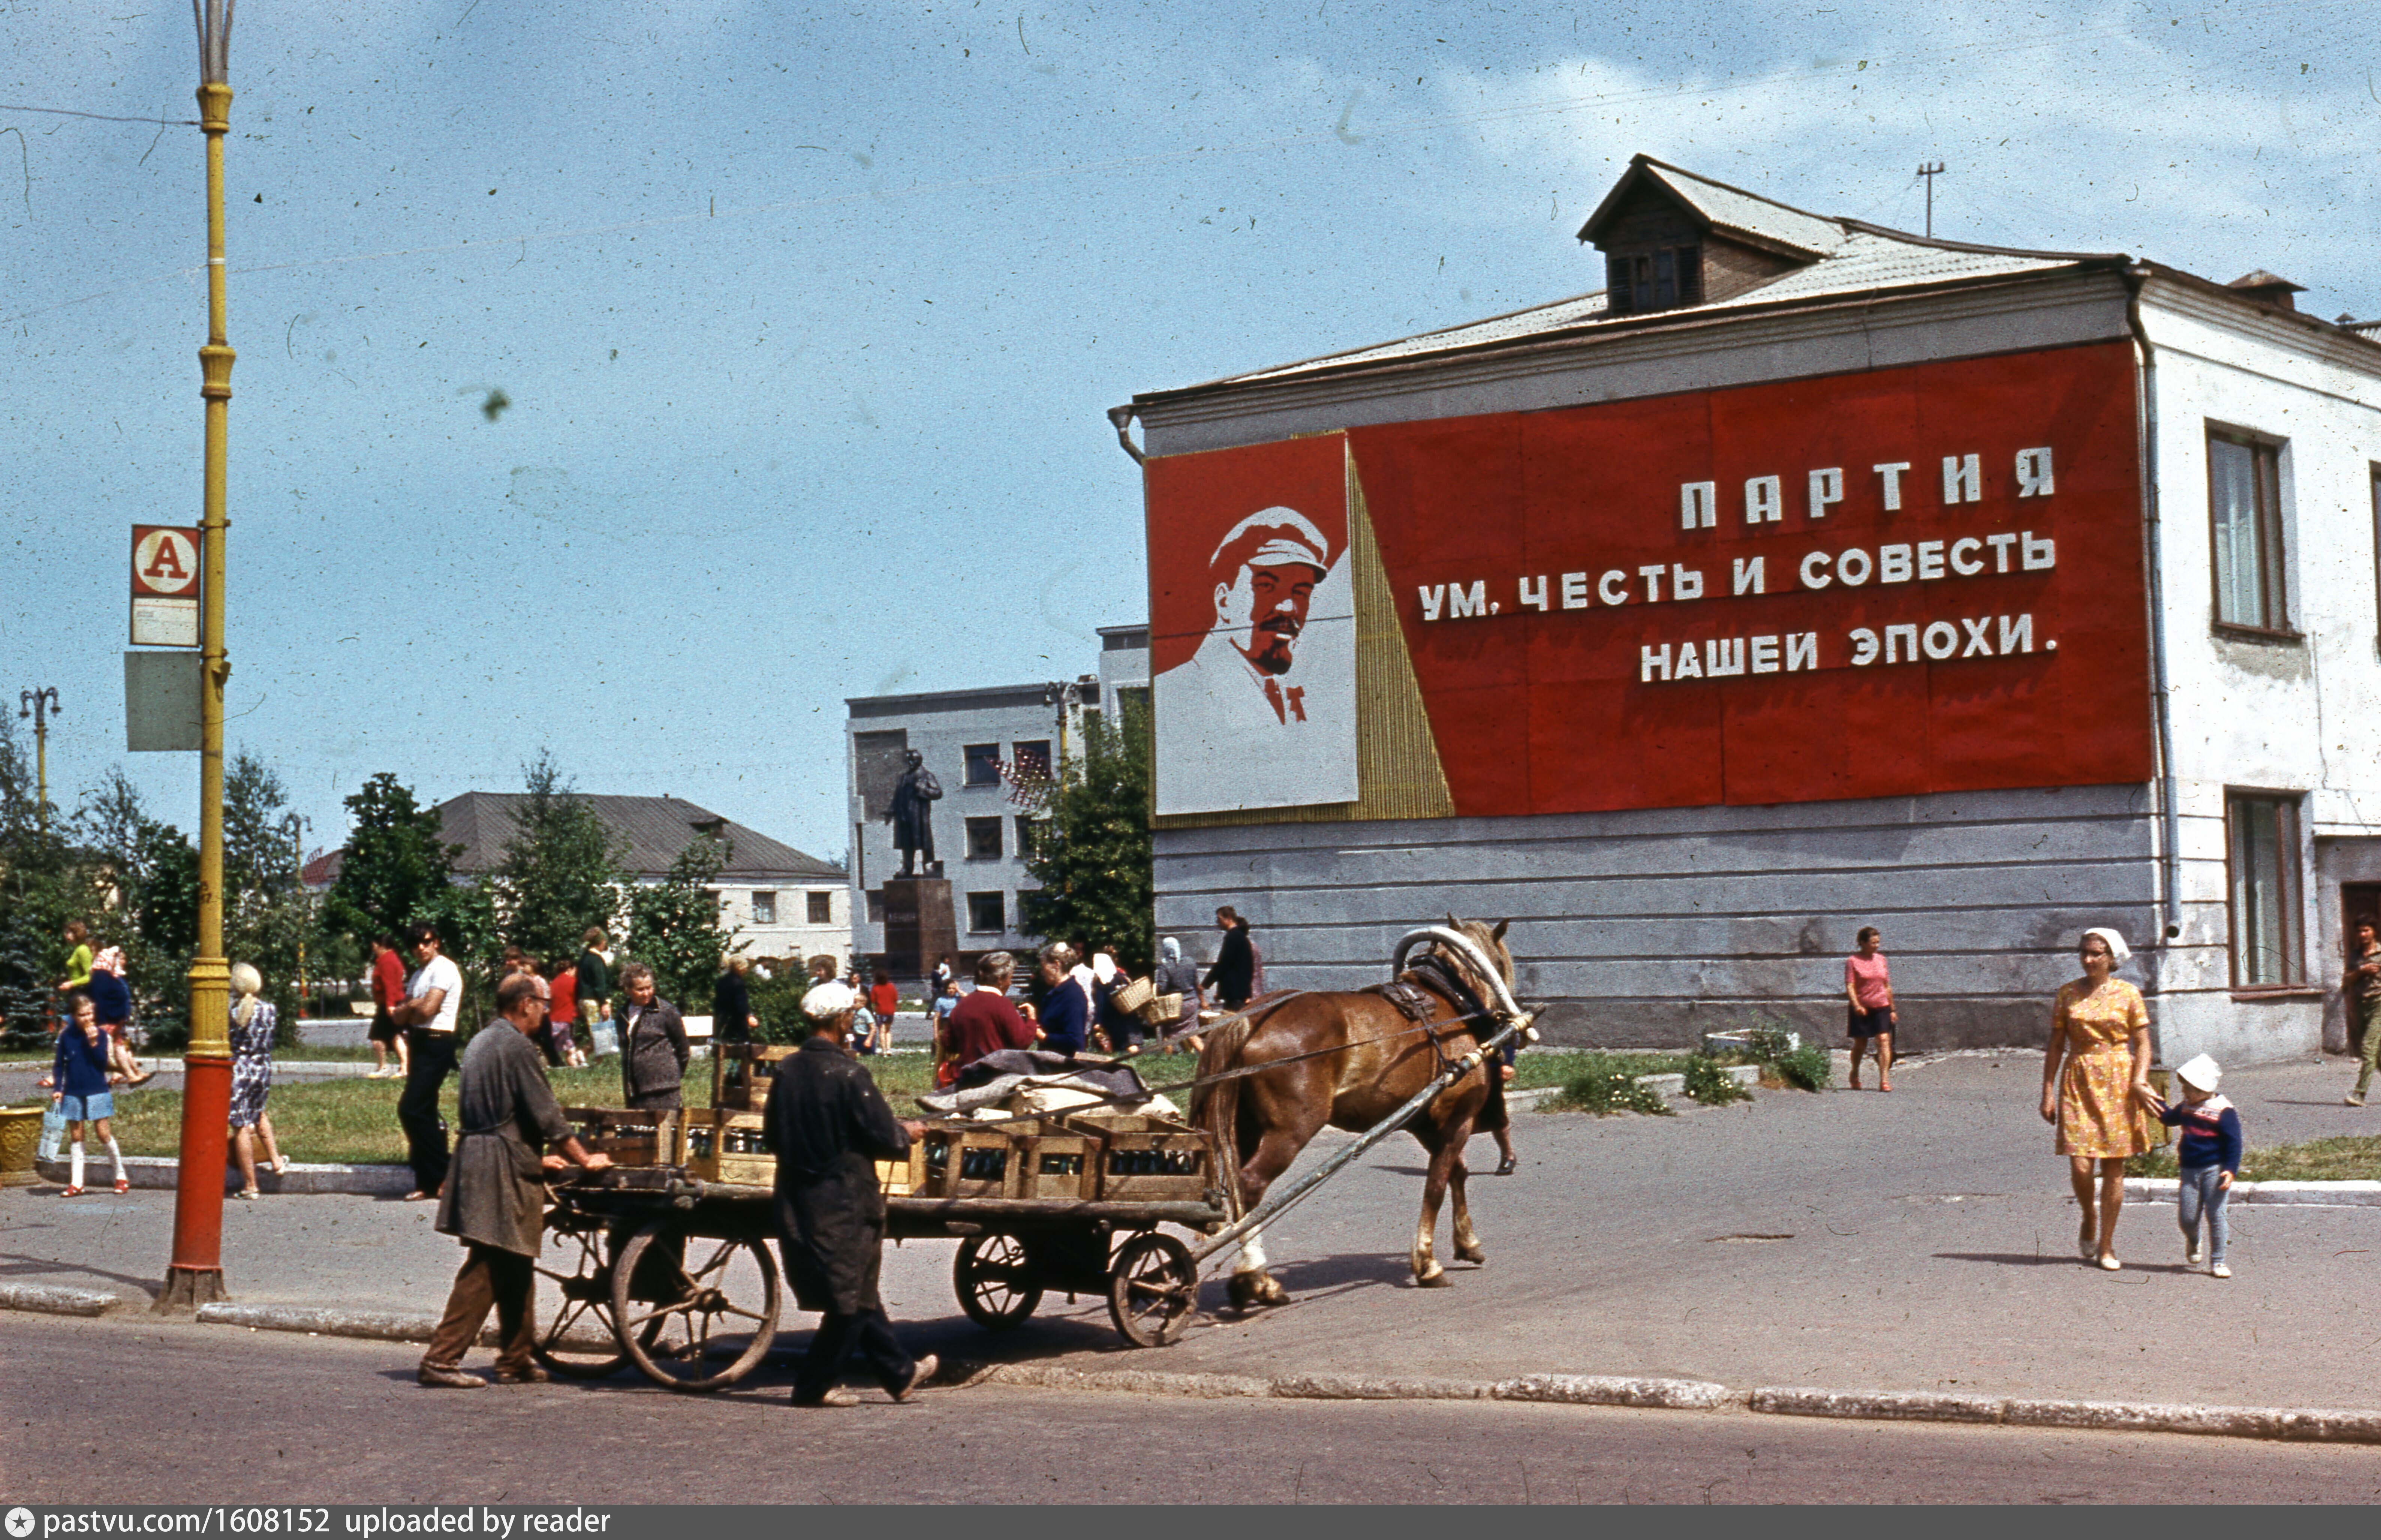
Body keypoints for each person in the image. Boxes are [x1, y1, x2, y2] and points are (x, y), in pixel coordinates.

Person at [418, 971, 611, 1389]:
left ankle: (515, 1357)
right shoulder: (517, 1046)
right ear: (525, 1003)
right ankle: (441, 1359)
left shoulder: (481, 1041)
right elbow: (547, 1117)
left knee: (516, 1257)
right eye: (543, 1003)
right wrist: (584, 1158)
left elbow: (498, 1114)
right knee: (489, 1261)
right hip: (498, 1166)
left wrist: (537, 1160)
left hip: (482, 1156)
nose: (545, 1010)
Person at [762, 980, 936, 1408]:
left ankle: (900, 1373)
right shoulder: (848, 1073)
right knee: (851, 1297)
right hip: (846, 1200)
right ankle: (812, 1386)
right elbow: (883, 1135)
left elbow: (771, 1136)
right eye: (851, 1015)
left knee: (856, 1287)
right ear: (842, 1020)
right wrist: (907, 1132)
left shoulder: (786, 1070)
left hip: (797, 1194)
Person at [2040, 927, 2156, 1272]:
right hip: (2079, 1076)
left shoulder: (2129, 994)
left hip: (2120, 1080)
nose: (2089, 959)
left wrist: (2139, 1079)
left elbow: (2144, 1043)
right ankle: (2089, 1214)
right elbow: (2057, 1045)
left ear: (2112, 958)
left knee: (2114, 1166)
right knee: (2080, 1162)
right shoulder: (2067, 994)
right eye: (2085, 952)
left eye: (2097, 953)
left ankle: (2106, 1245)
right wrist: (2047, 1091)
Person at [388, 922, 464, 1202]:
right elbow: (397, 1017)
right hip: (419, 1042)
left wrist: (410, 1008)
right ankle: (428, 1181)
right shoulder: (419, 975)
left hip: (437, 1041)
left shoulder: (444, 968)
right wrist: (412, 1007)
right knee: (427, 1113)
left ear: (437, 942)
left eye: (426, 941)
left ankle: (447, 1171)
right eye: (414, 944)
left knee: (411, 1109)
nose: (421, 947)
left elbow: (428, 1011)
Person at [2153, 1053, 2242, 1279]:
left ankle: (2219, 1261)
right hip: (2190, 1171)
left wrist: (2230, 1170)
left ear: (2203, 1089)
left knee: (2216, 1216)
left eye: (2188, 1090)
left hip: (2215, 1169)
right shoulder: (2186, 1107)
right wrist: (2153, 1100)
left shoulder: (2223, 1110)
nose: (2184, 1094)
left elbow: (2234, 1143)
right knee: (2187, 1218)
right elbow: (2168, 1118)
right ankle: (2194, 1239)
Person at [45, 993, 127, 1196]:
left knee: (103, 1133)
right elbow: (59, 1065)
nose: (88, 1018)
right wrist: (57, 1089)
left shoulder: (99, 1035)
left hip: (97, 1090)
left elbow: (102, 1064)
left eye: (90, 1013)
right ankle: (77, 1183)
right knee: (76, 1135)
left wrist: (93, 1044)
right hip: (73, 1091)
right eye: (82, 1015)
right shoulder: (66, 1036)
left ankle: (121, 1176)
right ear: (73, 1016)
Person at [225, 962, 288, 1200]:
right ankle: (276, 1161)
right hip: (263, 1068)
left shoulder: (234, 1013)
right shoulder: (270, 1009)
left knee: (240, 1124)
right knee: (259, 1112)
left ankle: (251, 1185)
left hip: (240, 1069)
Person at [944, 952, 1038, 1075]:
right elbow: (1022, 1042)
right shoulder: (1003, 1005)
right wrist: (1031, 1020)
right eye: (1010, 978)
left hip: (964, 1077)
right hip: (994, 1078)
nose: (1010, 983)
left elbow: (948, 1043)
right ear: (1000, 979)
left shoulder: (962, 1005)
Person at [616, 962, 689, 1112]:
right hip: (635, 1086)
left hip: (664, 1088)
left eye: (649, 988)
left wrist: (672, 1073)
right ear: (628, 990)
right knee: (637, 1130)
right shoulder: (622, 1014)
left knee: (664, 1131)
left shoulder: (666, 1011)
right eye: (640, 989)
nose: (646, 993)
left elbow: (683, 1048)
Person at [1843, 926, 1898, 1093]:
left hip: (1881, 1006)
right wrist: (1857, 1005)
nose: (1877, 946)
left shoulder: (1881, 960)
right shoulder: (1853, 961)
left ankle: (1884, 1080)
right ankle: (1855, 1073)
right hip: (1862, 1008)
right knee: (1861, 1044)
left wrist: (1892, 1009)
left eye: (1878, 942)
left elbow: (1887, 986)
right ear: (1862, 943)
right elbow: (1850, 986)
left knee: (1883, 1040)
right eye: (1873, 943)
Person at [86, 948, 150, 1087]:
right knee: (109, 1050)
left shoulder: (104, 977)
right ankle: (128, 1076)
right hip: (109, 1020)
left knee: (114, 1048)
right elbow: (101, 1002)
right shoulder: (102, 978)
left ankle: (132, 1076)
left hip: (113, 1020)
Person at [2344, 919, 2380, 1107]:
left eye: (2366, 930)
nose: (2363, 935)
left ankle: (2359, 1094)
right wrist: (2362, 970)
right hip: (2362, 1005)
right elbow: (2347, 981)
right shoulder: (2356, 956)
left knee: (2368, 1047)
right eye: (2359, 931)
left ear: (2374, 932)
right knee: (2378, 1055)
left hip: (2380, 1004)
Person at [1034, 944, 1092, 1057]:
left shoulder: (1072, 995)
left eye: (1043, 966)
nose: (1042, 972)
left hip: (1066, 1067)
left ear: (1056, 965)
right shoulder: (1055, 994)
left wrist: (1043, 1037)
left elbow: (1075, 1041)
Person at [366, 934, 410, 1080]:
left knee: (377, 1036)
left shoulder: (387, 962)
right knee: (394, 1035)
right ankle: (404, 1067)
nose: (373, 949)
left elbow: (390, 986)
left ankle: (385, 1067)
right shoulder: (389, 960)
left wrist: (390, 1006)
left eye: (374, 946)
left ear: (382, 946)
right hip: (389, 1003)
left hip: (389, 1004)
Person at [1152, 936, 1204, 1053]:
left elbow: (1162, 988)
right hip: (1191, 1003)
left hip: (1175, 1006)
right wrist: (1203, 1001)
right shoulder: (1190, 962)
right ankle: (1205, 1055)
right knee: (1192, 1033)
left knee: (1168, 1033)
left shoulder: (1166, 966)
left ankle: (1167, 1061)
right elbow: (1197, 984)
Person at [1204, 907, 1255, 1011]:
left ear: (1229, 918)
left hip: (1235, 994)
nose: (1217, 922)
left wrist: (1206, 984)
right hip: (1238, 992)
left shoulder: (1233, 937)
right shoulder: (1240, 937)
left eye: (1219, 919)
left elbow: (1223, 964)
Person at [575, 928, 613, 1046]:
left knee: (599, 1035)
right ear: (602, 942)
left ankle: (595, 1060)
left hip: (583, 999)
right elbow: (600, 984)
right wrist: (604, 1003)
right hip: (594, 1000)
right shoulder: (596, 960)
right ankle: (582, 1055)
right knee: (602, 1035)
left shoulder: (584, 959)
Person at [545, 956, 582, 1067]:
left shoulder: (553, 983)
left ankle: (577, 1067)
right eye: (575, 971)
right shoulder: (574, 983)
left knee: (568, 1044)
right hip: (566, 1018)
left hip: (553, 1019)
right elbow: (578, 999)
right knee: (547, 1046)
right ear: (570, 969)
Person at [715, 954, 759, 1045]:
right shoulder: (739, 983)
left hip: (723, 1019)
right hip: (736, 1022)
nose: (746, 970)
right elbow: (741, 1003)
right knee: (743, 1048)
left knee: (724, 1045)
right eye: (745, 967)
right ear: (739, 968)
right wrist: (749, 1016)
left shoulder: (722, 981)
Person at [867, 970, 899, 1055]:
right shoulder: (891, 986)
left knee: (882, 1031)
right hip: (890, 1011)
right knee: (888, 1031)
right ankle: (889, 1049)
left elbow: (873, 1000)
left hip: (880, 1011)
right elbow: (896, 998)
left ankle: (884, 1050)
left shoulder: (875, 988)